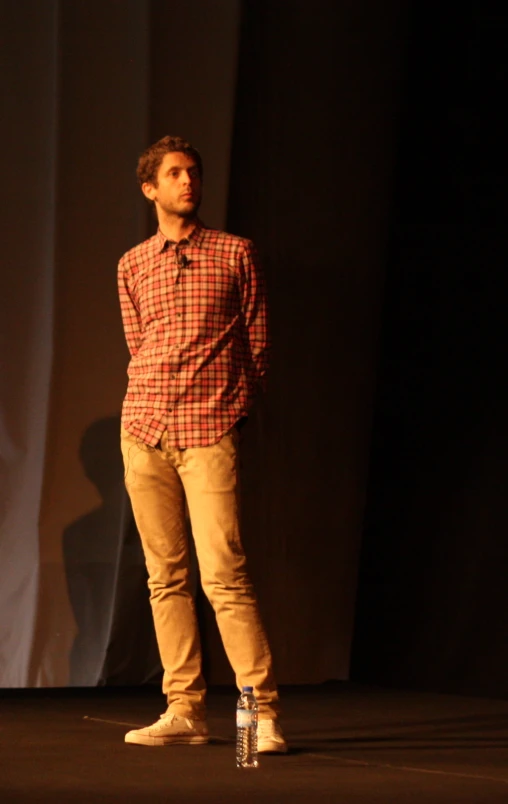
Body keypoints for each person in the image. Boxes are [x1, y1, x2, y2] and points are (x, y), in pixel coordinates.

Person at [117, 135, 287, 753]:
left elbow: (258, 343)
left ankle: (259, 715)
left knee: (225, 574)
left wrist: (231, 411)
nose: (188, 182)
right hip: (144, 431)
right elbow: (140, 347)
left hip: (208, 428)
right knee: (166, 577)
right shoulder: (133, 264)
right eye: (174, 174)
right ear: (150, 188)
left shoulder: (235, 253)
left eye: (193, 172)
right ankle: (184, 708)